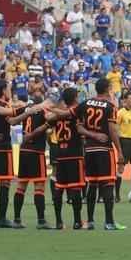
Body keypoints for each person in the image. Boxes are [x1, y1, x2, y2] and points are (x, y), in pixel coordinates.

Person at [76, 78, 124, 230]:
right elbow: (112, 130)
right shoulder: (110, 106)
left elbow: (79, 127)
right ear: (108, 89)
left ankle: (90, 221)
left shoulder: (85, 104)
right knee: (108, 184)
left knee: (92, 184)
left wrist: (92, 135)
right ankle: (109, 222)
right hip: (104, 150)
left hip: (89, 150)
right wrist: (120, 151)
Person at [10, 79, 52, 228]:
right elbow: (49, 120)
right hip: (36, 152)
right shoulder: (44, 111)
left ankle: (16, 220)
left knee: (21, 186)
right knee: (39, 187)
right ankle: (41, 221)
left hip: (23, 151)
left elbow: (12, 120)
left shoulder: (26, 109)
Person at [46, 88, 86, 229]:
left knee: (59, 187)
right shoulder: (77, 111)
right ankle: (77, 221)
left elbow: (49, 119)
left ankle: (58, 222)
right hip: (74, 152)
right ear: (75, 98)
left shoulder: (57, 115)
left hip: (60, 153)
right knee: (75, 188)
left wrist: (54, 110)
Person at [0, 80, 25, 227]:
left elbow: (12, 121)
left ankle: (2, 218)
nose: (11, 92)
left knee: (5, 183)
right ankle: (1, 218)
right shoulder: (0, 104)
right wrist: (27, 109)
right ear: (2, 90)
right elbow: (9, 115)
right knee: (5, 182)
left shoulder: (4, 104)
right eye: (9, 89)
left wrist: (27, 111)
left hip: (2, 145)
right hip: (2, 147)